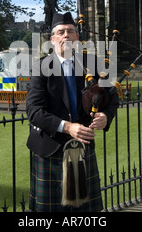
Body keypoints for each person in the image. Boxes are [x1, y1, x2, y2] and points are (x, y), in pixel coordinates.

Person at [26, 12, 119, 212]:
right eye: (61, 32)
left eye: (71, 31)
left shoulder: (92, 64)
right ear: (53, 40)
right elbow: (34, 111)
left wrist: (105, 116)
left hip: (83, 146)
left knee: (87, 211)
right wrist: (68, 127)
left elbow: (113, 98)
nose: (66, 35)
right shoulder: (40, 67)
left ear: (77, 38)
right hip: (50, 148)